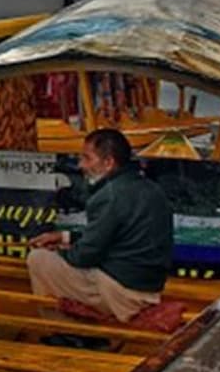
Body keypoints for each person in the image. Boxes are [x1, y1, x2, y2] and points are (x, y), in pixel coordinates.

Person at [27, 128, 174, 323]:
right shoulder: (152, 188)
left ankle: (63, 329)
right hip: (149, 288)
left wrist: (60, 252)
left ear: (108, 163)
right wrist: (65, 237)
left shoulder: (109, 195)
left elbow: (84, 256)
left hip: (123, 293)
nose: (81, 165)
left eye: (87, 158)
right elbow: (114, 237)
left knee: (38, 259)